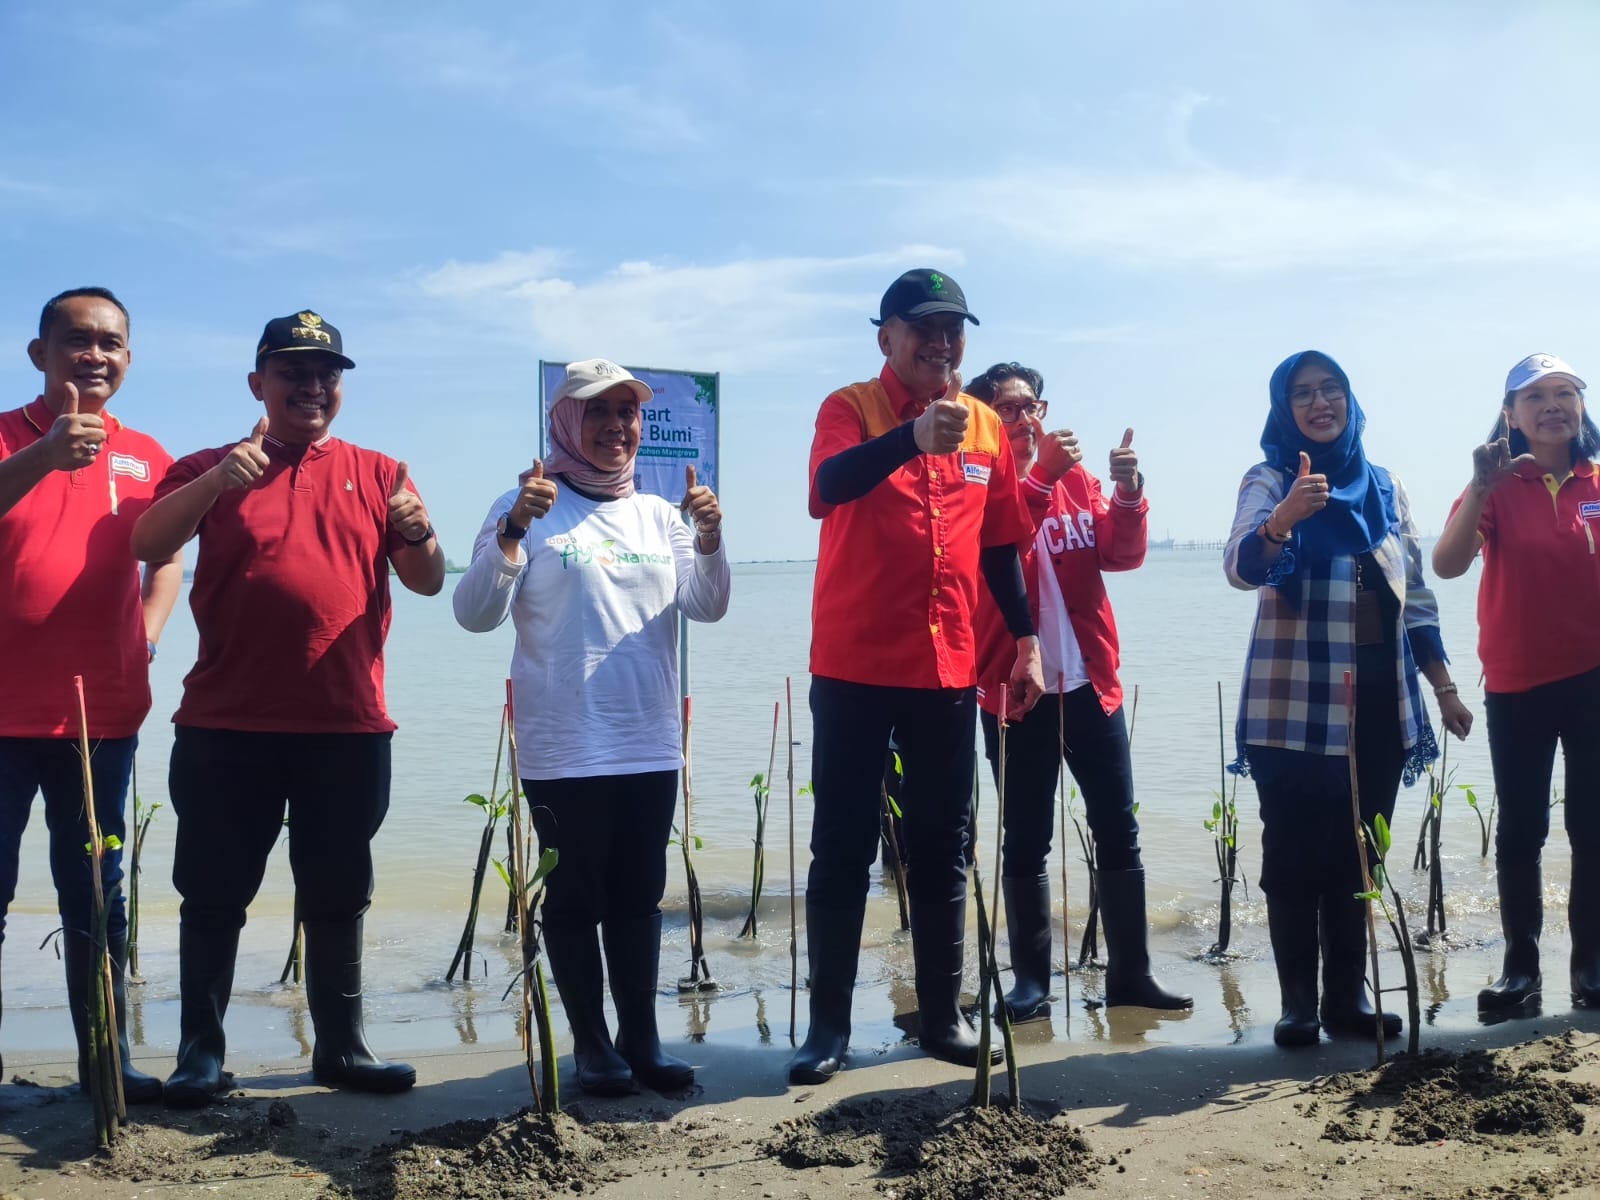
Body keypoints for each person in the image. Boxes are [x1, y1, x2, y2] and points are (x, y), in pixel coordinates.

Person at [130, 310, 444, 1105]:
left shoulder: (380, 470)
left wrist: (421, 532)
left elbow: (427, 580)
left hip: (347, 725)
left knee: (338, 892)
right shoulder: (208, 465)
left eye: (326, 373)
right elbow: (146, 542)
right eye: (293, 371)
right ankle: (201, 1054)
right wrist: (215, 482)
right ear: (257, 383)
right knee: (211, 893)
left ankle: (342, 1050)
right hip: (224, 724)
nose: (312, 386)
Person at [790, 269, 1045, 1086]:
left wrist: (1028, 640)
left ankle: (942, 1015)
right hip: (855, 663)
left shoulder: (983, 426)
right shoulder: (849, 407)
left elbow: (1002, 544)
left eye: (953, 330)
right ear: (886, 337)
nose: (940, 343)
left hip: (948, 664)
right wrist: (909, 438)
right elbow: (827, 489)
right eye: (923, 328)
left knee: (944, 844)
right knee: (841, 843)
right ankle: (826, 1029)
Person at [453, 358, 729, 1096]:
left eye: (628, 413)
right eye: (598, 412)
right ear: (566, 422)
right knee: (574, 898)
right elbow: (474, 612)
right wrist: (514, 527)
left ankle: (642, 1039)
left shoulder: (660, 512)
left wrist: (707, 540)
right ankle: (592, 1045)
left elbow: (707, 606)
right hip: (564, 745)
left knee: (640, 895)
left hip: (647, 739)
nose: (617, 427)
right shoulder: (528, 507)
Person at [1224, 350, 1470, 1048]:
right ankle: (1299, 1006)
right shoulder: (1271, 479)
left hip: (1380, 703)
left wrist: (1444, 686)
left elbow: (1416, 595)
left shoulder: (1385, 486)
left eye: (1330, 388)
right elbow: (1241, 568)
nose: (1318, 402)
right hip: (1292, 704)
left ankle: (1345, 1002)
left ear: (1349, 400)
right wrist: (1282, 521)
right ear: (1285, 409)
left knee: (1360, 856)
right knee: (1294, 857)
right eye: (1301, 393)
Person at [0, 288, 180, 1103]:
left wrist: (145, 632)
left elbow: (167, 555)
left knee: (96, 901)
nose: (94, 355)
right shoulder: (8, 438)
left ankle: (105, 1066)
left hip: (99, 718)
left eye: (110, 342)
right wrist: (43, 458)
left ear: (129, 359)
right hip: (1, 715)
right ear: (38, 354)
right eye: (76, 340)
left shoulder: (147, 452)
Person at [967, 362, 1190, 1020]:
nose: (1026, 419)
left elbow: (1121, 556)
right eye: (1008, 409)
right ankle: (1031, 983)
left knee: (1119, 830)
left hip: (1092, 686)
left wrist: (1125, 493)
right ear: (983, 420)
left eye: (1032, 406)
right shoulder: (975, 486)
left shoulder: (1076, 483)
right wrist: (1040, 478)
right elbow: (1005, 549)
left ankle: (1132, 976)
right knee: (1026, 838)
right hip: (1017, 691)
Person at [1432, 353, 1600, 1016]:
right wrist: (1478, 487)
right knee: (1522, 830)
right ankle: (1520, 970)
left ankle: (1590, 966)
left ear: (1581, 407)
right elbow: (1446, 565)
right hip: (1517, 683)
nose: (1552, 406)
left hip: (1595, 681)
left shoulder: (1597, 482)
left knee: (1593, 829)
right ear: (1511, 415)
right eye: (1535, 397)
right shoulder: (1497, 485)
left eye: (1565, 393)